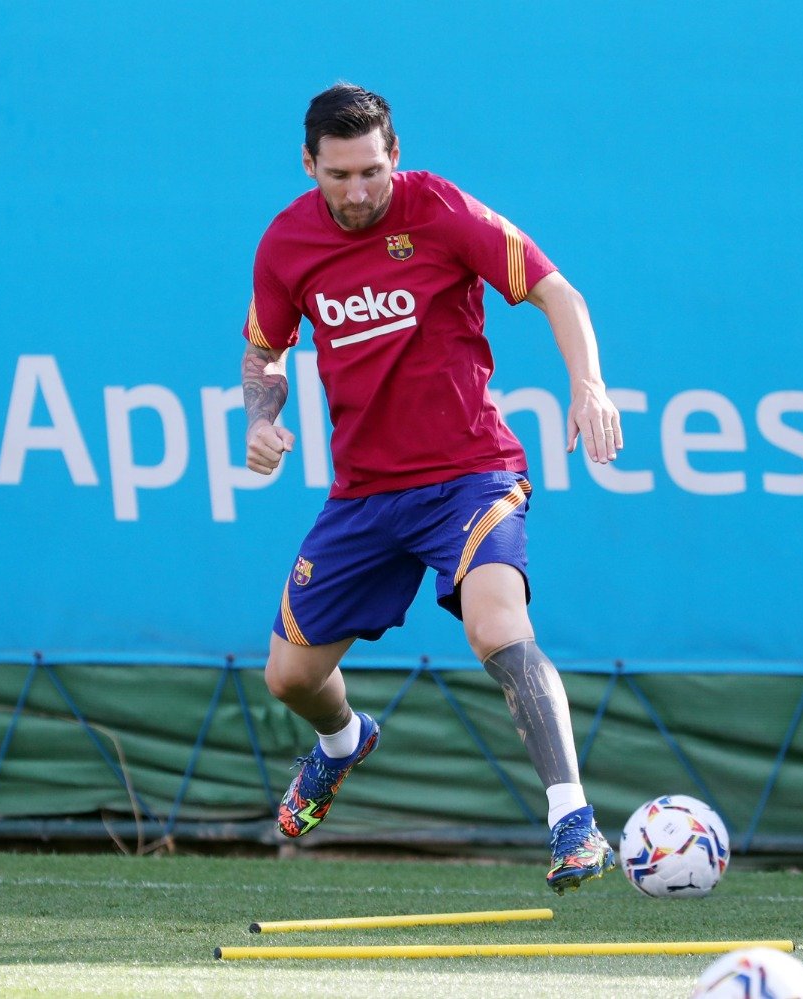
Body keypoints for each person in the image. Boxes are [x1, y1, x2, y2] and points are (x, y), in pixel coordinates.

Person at [240, 82, 623, 894]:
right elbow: (266, 351)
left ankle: (573, 821)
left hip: (470, 475)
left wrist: (588, 385)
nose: (357, 191)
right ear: (309, 164)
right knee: (289, 678)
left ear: (395, 157)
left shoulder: (440, 209)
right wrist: (260, 414)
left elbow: (558, 290)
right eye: (338, 175)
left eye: (371, 171)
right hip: (364, 495)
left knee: (496, 628)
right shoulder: (284, 243)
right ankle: (344, 743)